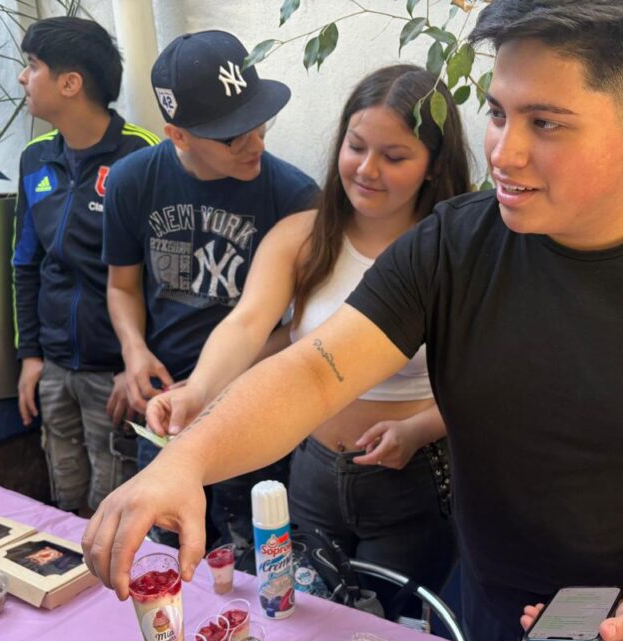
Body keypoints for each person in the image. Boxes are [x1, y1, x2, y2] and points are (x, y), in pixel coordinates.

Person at [82, 0, 623, 641]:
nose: (504, 153)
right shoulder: (455, 245)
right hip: (491, 623)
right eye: (497, 113)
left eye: (545, 123)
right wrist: (188, 458)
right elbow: (315, 370)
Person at [145, 64, 469, 597]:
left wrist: (420, 428)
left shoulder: (454, 254)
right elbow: (247, 324)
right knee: (304, 612)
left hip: (412, 475)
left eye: (394, 157)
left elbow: (487, 381)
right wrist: (197, 392)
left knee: (390, 626)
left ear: (434, 165)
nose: (367, 169)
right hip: (313, 469)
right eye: (356, 147)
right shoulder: (304, 237)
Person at [101, 30, 318, 550]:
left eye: (259, 122)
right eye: (231, 137)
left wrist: (217, 383)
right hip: (164, 405)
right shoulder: (133, 181)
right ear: (177, 135)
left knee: (254, 556)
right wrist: (133, 351)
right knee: (164, 554)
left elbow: (302, 324)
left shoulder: (294, 196)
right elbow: (122, 286)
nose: (255, 143)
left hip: (251, 403)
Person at [13, 17, 159, 516]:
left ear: (70, 83)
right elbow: (25, 263)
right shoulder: (35, 158)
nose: (23, 77)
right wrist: (31, 356)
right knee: (65, 498)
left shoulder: (142, 155)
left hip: (115, 373)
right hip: (55, 367)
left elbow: (162, 279)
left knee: (113, 505)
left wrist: (135, 364)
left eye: (33, 65)